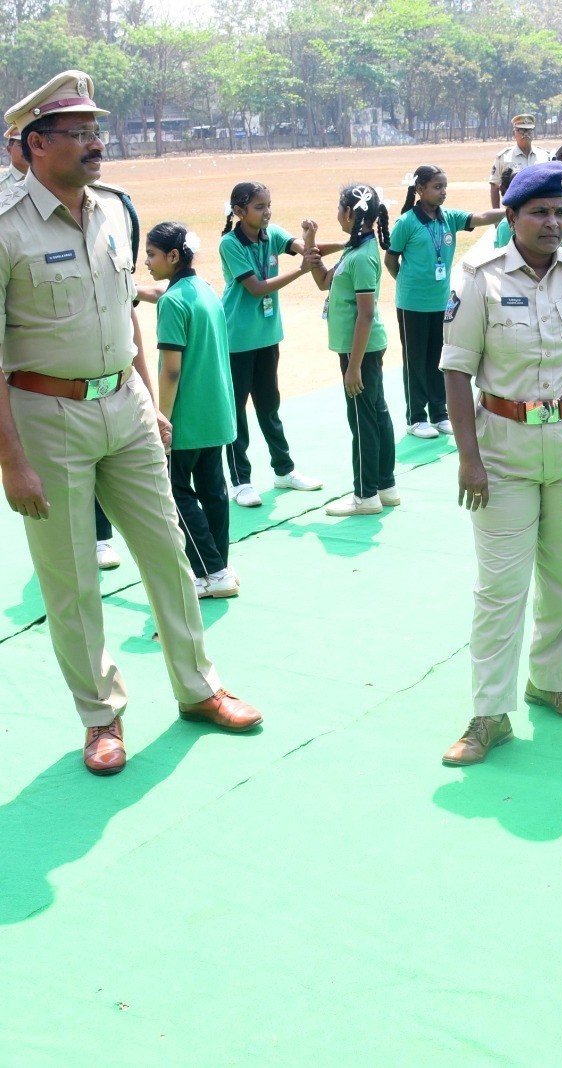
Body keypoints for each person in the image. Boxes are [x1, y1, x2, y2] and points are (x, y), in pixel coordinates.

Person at [0, 70, 262, 776]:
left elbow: (125, 316)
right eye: (79, 133)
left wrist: (148, 398)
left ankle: (199, 687)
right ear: (37, 143)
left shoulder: (115, 209)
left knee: (167, 554)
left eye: (96, 130)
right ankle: (101, 715)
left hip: (126, 407)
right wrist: (11, 461)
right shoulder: (4, 227)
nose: (95, 143)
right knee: (72, 579)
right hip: (46, 414)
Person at [438, 161, 562, 765]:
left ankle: (550, 682)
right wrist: (469, 457)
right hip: (502, 452)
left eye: (561, 211)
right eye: (539, 212)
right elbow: (455, 368)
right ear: (513, 217)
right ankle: (489, 713)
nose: (553, 222)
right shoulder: (478, 275)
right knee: (500, 587)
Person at [145, 221, 240, 599]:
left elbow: (171, 369)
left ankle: (210, 570)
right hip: (216, 411)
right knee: (213, 490)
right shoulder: (204, 290)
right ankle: (220, 567)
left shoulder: (172, 302)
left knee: (178, 493)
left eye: (151, 255)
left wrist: (161, 419)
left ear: (172, 256)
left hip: (185, 418)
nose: (147, 262)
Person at [218, 180, 325, 506]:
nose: (266, 212)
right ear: (239, 211)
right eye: (259, 207)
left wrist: (313, 240)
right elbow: (257, 287)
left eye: (268, 206)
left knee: (269, 406)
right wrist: (302, 270)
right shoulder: (230, 244)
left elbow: (301, 249)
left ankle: (283, 470)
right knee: (236, 412)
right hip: (237, 339)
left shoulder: (271, 233)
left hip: (267, 337)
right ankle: (240, 481)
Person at [302, 183, 398, 517]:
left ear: (347, 213)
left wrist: (353, 366)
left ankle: (365, 494)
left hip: (359, 350)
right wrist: (311, 243)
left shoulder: (361, 256)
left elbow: (366, 313)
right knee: (376, 414)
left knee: (362, 421)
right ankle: (385, 486)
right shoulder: (358, 247)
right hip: (363, 348)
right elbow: (324, 281)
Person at [385, 165, 498, 439]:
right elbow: (390, 260)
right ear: (420, 189)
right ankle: (416, 417)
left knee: (438, 359)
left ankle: (438, 413)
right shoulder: (407, 223)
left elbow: (481, 216)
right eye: (437, 187)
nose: (443, 192)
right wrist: (408, 284)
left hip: (441, 304)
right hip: (412, 304)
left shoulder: (448, 218)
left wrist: (514, 207)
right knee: (415, 360)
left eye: (445, 186)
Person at [488, 114, 549, 210]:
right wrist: (497, 217)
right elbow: (494, 186)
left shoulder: (544, 156)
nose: (526, 134)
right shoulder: (504, 157)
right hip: (514, 210)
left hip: (540, 210)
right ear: (514, 133)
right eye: (521, 130)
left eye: (529, 130)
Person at [0, 124, 25, 192]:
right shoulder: (2, 184)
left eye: (31, 144)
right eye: (21, 145)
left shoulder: (46, 180)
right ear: (9, 149)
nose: (27, 149)